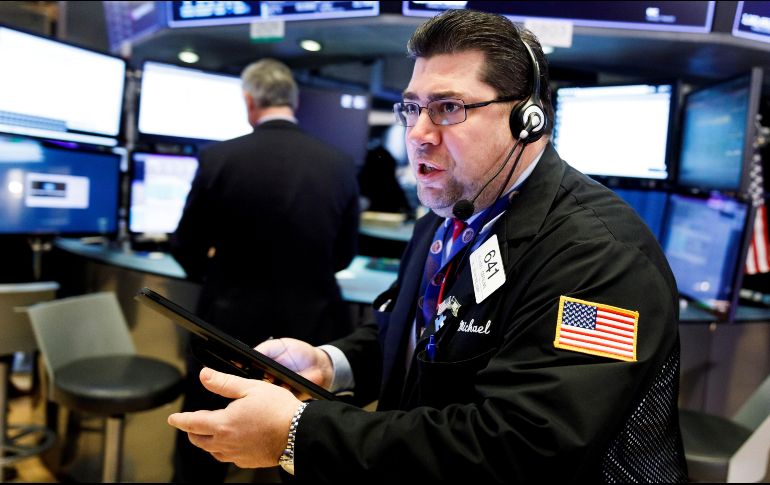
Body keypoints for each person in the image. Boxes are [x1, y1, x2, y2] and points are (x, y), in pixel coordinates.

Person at [168, 10, 687, 483]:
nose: (418, 133)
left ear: (527, 119)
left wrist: (297, 434)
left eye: (448, 108)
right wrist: (328, 364)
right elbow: (412, 330)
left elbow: (526, 448)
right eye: (413, 107)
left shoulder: (602, 258)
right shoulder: (448, 214)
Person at [169, 58, 360, 483]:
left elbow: (185, 247)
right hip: (312, 334)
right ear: (293, 102)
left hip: (227, 330)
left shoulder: (219, 157)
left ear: (250, 101)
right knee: (302, 450)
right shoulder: (340, 163)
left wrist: (219, 274)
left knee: (202, 446)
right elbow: (345, 255)